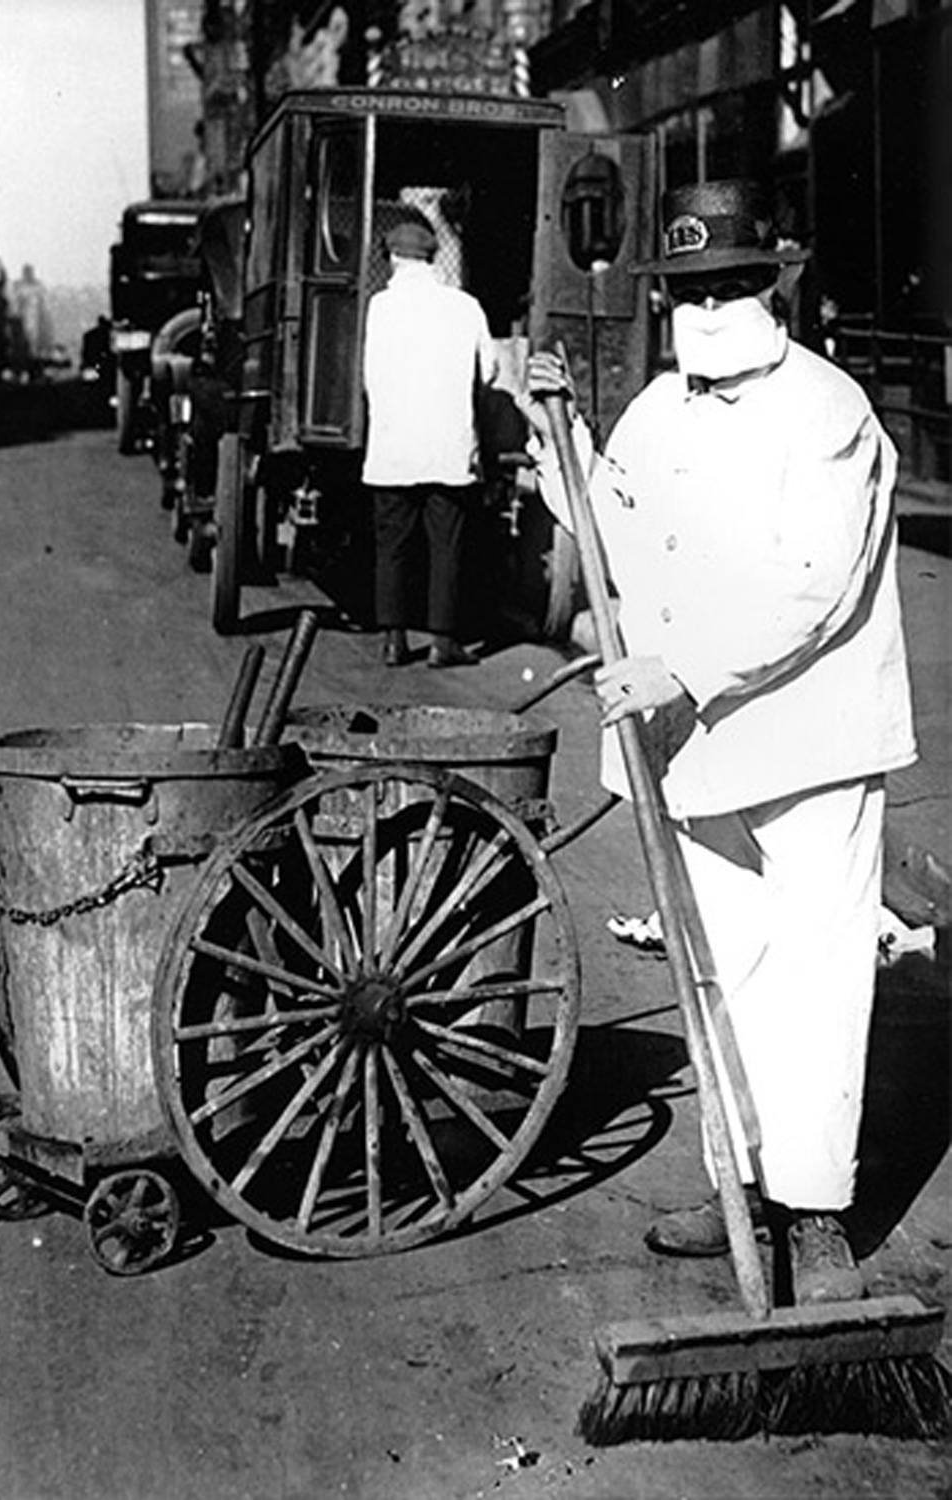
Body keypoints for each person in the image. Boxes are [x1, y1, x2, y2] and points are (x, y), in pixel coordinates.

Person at [524, 179, 916, 1305]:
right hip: (690, 742)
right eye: (686, 288)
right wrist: (559, 440)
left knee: (820, 971)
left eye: (725, 285)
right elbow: (610, 527)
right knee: (718, 971)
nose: (705, 307)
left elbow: (810, 585)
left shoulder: (826, 410)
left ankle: (818, 1211)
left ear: (768, 286)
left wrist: (683, 664)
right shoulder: (657, 410)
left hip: (808, 738)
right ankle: (739, 1188)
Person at [362, 215, 498, 667]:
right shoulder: (465, 306)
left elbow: (368, 378)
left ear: (392, 259)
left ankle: (394, 640)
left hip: (391, 450)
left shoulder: (380, 306)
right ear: (434, 257)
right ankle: (442, 643)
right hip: (449, 447)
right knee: (446, 545)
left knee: (392, 545)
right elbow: (491, 371)